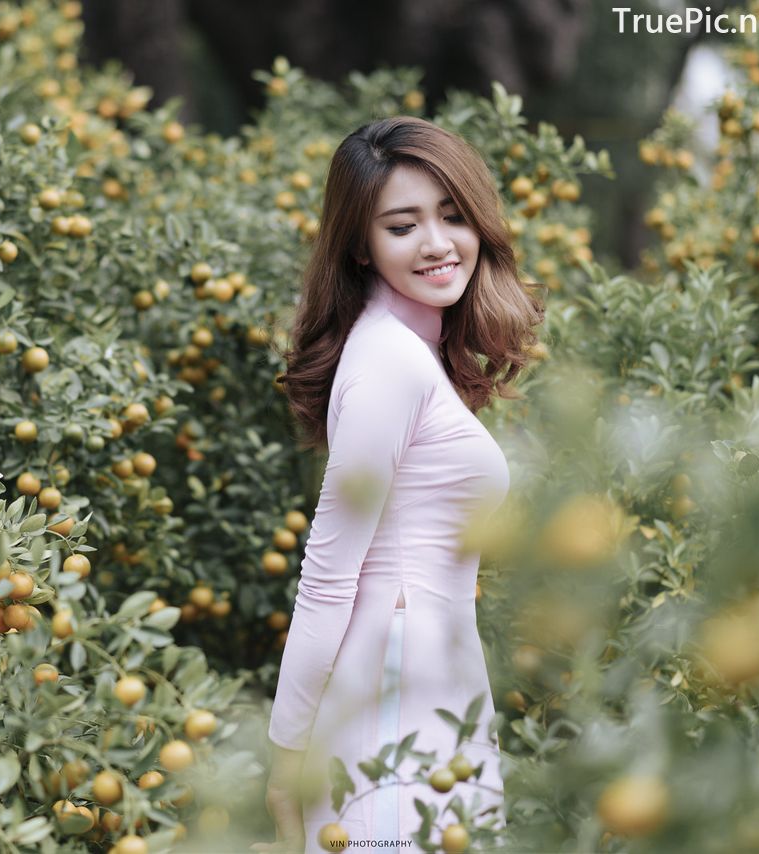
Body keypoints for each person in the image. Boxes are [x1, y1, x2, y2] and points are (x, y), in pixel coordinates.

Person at [252, 116, 543, 853]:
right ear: (360, 244)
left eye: (452, 215)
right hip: (391, 691)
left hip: (430, 679)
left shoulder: (414, 353)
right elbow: (328, 573)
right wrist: (288, 753)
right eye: (403, 225)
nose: (439, 243)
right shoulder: (387, 361)